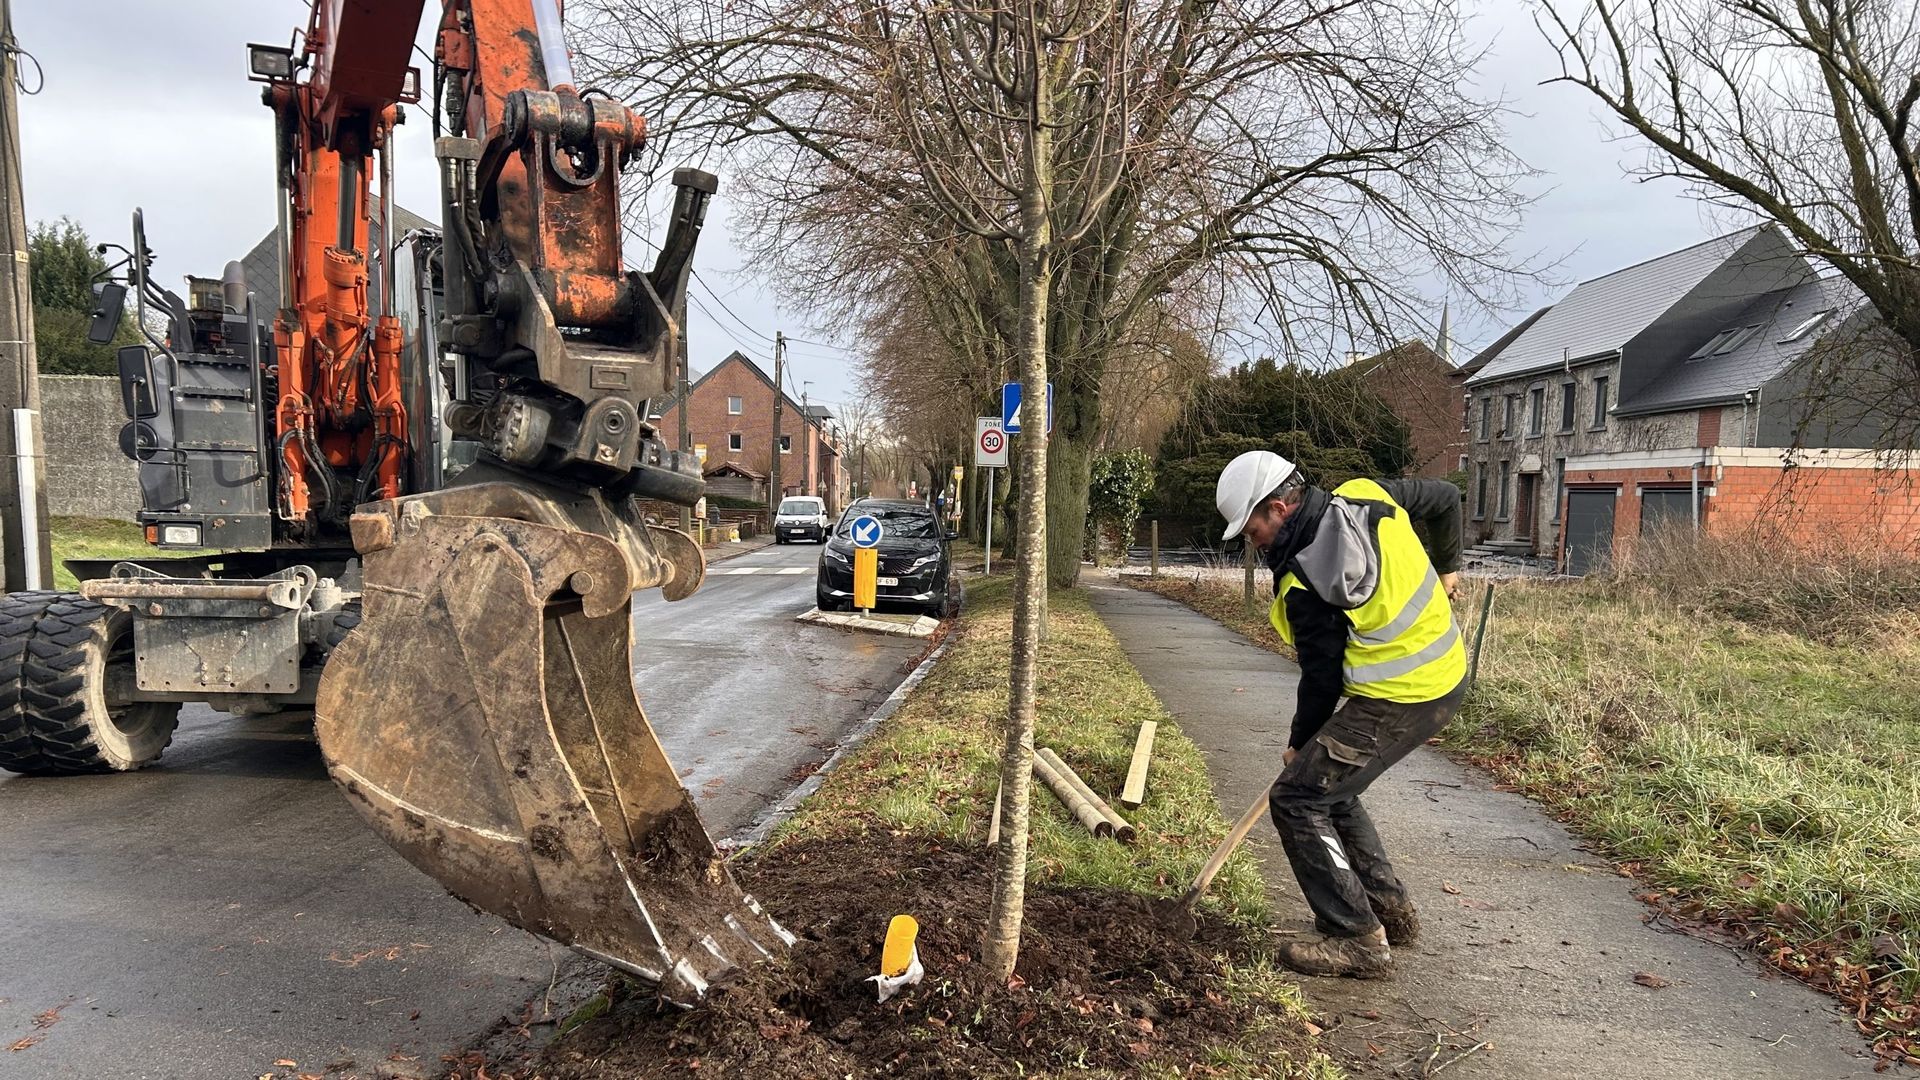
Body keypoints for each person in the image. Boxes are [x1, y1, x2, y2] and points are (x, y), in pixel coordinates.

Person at [1215, 450, 1468, 979]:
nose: (1252, 540)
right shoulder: (1366, 494)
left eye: (1253, 527)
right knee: (1332, 785)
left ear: (1281, 508)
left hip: (1400, 698)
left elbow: (1322, 677)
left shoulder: (1307, 576)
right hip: (1445, 675)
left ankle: (1357, 938)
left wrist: (1300, 742)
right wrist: (1449, 568)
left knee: (1297, 795)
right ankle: (1389, 911)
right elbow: (1446, 498)